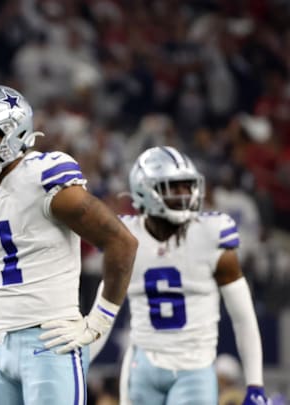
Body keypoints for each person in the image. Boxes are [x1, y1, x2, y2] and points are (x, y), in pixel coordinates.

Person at [0, 84, 138, 405]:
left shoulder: (44, 179)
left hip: (49, 339)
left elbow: (122, 243)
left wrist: (100, 319)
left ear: (14, 133)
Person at [89, 146, 267, 404]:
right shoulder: (125, 238)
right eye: (173, 187)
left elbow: (243, 318)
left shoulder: (211, 234)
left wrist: (255, 383)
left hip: (195, 368)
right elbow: (101, 318)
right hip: (142, 365)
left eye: (188, 186)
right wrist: (76, 367)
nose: (186, 194)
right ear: (144, 189)